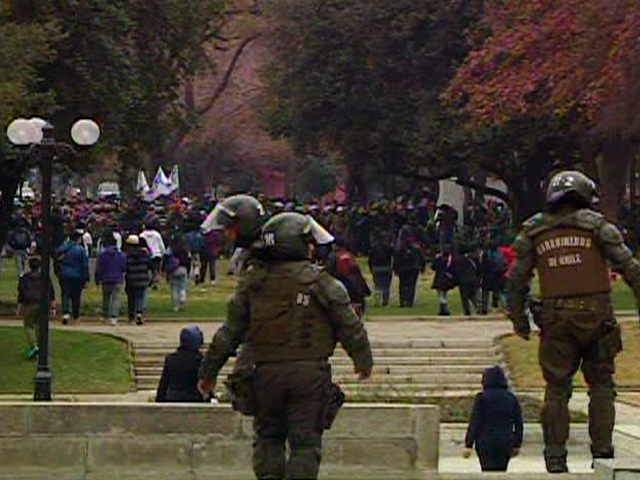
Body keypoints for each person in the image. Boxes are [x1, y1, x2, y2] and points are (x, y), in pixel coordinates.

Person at [198, 212, 373, 480]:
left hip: (264, 373)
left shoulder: (253, 283)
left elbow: (229, 333)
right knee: (305, 444)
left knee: (268, 438)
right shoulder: (322, 283)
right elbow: (349, 326)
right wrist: (362, 360)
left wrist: (208, 373)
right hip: (309, 375)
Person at [508, 170, 640, 473]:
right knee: (602, 387)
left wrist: (519, 319)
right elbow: (631, 269)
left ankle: (555, 458)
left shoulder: (534, 231)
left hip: (555, 320)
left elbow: (516, 280)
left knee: (556, 388)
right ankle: (604, 456)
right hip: (597, 317)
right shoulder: (598, 228)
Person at [463, 365, 523, 471]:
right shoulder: (511, 398)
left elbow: (474, 422)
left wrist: (469, 444)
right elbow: (519, 424)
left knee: (487, 471)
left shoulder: (481, 398)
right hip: (505, 441)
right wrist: (517, 444)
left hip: (485, 442)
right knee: (501, 471)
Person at [17, 256, 55, 359]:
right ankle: (42, 347)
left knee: (29, 326)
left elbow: (21, 294)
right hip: (42, 303)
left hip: (29, 303)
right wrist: (53, 307)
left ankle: (34, 346)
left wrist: (19, 307)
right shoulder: (45, 277)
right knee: (41, 326)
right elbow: (51, 292)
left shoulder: (24, 278)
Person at [156, 326, 206, 403]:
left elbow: (163, 385)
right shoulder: (199, 360)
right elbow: (204, 384)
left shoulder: (170, 359)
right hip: (194, 403)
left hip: (171, 402)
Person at [55, 230, 90, 324]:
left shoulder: (62, 248)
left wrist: (58, 273)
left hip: (64, 275)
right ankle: (76, 315)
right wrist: (86, 278)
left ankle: (65, 313)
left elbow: (56, 259)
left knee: (65, 294)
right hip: (77, 276)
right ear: (78, 239)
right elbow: (85, 265)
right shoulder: (81, 250)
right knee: (76, 296)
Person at [95, 233, 127, 325]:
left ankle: (105, 316)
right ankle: (114, 317)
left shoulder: (102, 255)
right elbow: (124, 268)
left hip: (105, 279)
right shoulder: (121, 255)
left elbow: (99, 268)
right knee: (116, 299)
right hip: (117, 279)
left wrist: (97, 279)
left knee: (106, 298)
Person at [123, 235, 150, 325]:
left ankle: (131, 316)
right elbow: (149, 264)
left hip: (131, 279)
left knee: (131, 298)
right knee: (140, 297)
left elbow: (125, 268)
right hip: (142, 278)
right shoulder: (144, 254)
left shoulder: (127, 256)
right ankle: (139, 313)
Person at [140, 222, 166, 290]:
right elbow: (161, 245)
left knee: (147, 269)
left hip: (146, 254)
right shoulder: (157, 234)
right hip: (157, 254)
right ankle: (155, 283)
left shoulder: (142, 235)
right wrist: (163, 252)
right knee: (156, 270)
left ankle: (149, 282)